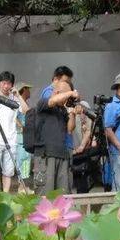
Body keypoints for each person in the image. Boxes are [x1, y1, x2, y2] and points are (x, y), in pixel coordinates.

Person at [33, 66, 77, 194]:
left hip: (62, 154)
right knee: (45, 195)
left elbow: (69, 129)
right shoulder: (43, 102)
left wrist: (72, 111)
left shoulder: (62, 110)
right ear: (57, 93)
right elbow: (52, 101)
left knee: (63, 195)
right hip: (46, 155)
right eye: (65, 95)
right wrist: (71, 93)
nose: (67, 99)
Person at [0, 71, 29, 193]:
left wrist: (18, 96)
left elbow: (26, 110)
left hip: (11, 140)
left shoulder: (14, 99)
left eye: (9, 83)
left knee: (8, 172)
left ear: (12, 85)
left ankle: (5, 195)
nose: (6, 86)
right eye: (3, 83)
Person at [70, 100, 94, 193]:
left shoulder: (83, 105)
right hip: (67, 152)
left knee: (82, 184)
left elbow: (88, 129)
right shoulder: (59, 106)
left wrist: (82, 146)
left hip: (80, 153)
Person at [15, 83, 32, 181]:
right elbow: (13, 117)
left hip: (25, 136)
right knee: (22, 159)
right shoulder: (17, 103)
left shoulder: (24, 103)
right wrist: (21, 126)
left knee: (26, 159)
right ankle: (21, 185)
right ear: (24, 90)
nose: (29, 92)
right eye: (28, 89)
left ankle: (23, 184)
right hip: (20, 136)